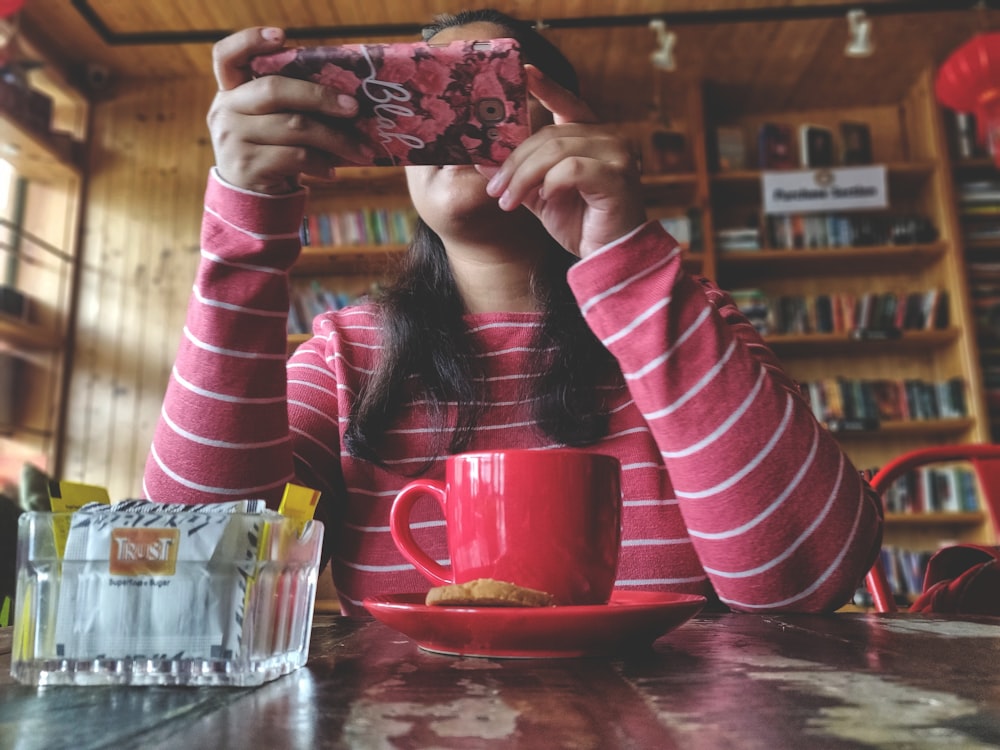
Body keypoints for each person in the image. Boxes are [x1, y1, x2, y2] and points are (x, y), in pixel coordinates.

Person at [144, 9, 883, 616]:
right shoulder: (346, 356)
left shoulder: (685, 318)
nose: (449, 111)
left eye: (484, 82)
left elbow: (809, 581)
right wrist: (245, 229)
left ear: (571, 126)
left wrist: (625, 254)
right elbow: (207, 571)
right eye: (418, 88)